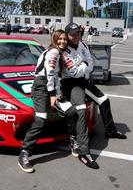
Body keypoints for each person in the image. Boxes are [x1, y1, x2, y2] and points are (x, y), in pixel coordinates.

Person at [60, 22, 127, 169]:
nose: (75, 36)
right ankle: (83, 152)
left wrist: (83, 66)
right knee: (81, 110)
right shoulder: (64, 50)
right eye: (72, 34)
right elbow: (74, 72)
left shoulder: (82, 45)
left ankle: (110, 130)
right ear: (67, 36)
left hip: (83, 81)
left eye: (77, 33)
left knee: (104, 100)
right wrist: (84, 66)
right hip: (70, 83)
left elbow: (90, 62)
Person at [18, 29, 77, 173]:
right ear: (54, 39)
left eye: (64, 39)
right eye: (60, 39)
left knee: (71, 111)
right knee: (40, 119)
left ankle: (73, 140)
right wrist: (52, 94)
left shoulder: (60, 53)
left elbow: (56, 76)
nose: (62, 41)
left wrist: (57, 92)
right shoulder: (54, 52)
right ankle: (24, 153)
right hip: (41, 87)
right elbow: (49, 73)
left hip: (51, 87)